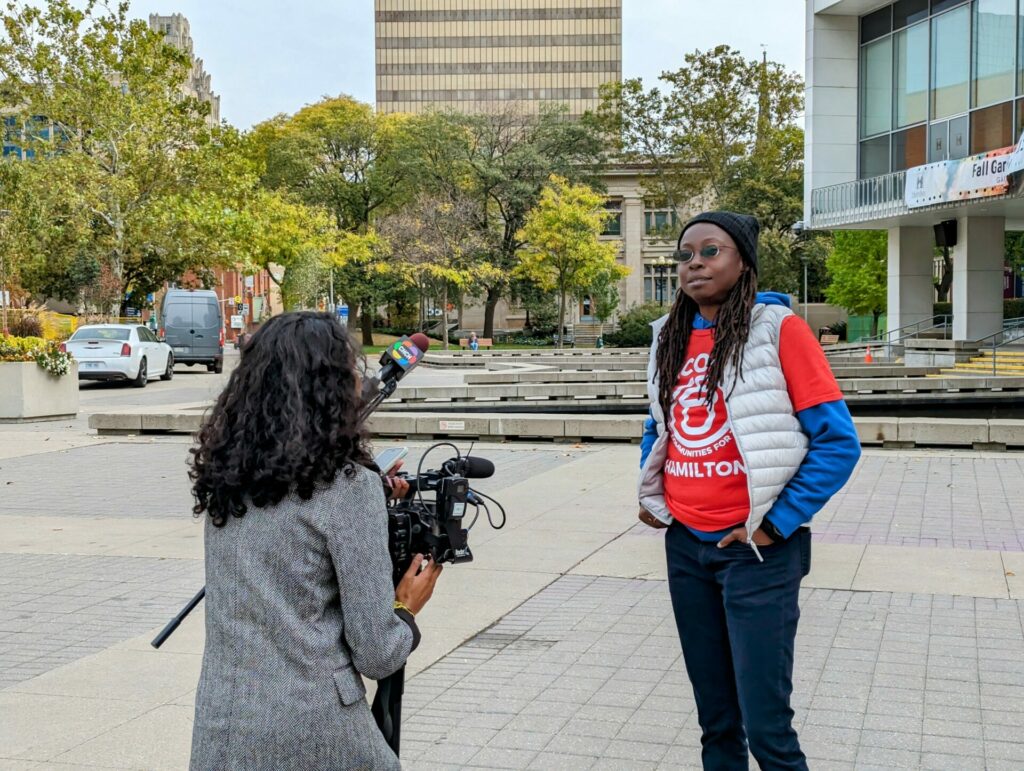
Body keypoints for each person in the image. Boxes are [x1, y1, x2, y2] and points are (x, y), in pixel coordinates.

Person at [637, 212, 861, 770]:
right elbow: (658, 424)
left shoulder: (779, 330)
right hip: (687, 547)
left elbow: (838, 443)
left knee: (766, 729)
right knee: (716, 724)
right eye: (685, 254)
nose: (693, 263)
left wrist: (774, 525)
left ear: (744, 262)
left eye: (710, 251)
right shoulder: (667, 336)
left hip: (757, 552)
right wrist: (652, 491)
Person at [188, 311, 442, 771]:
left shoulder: (227, 478)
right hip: (315, 729)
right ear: (331, 389)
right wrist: (405, 607)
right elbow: (377, 653)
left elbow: (285, 531)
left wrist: (374, 493)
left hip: (221, 727)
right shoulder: (348, 490)